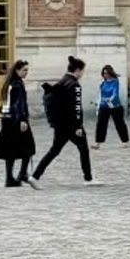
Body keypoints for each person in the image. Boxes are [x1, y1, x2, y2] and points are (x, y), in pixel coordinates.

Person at [32, 57, 91, 185]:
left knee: (54, 150)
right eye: (82, 71)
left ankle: (35, 175)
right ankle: (88, 178)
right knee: (83, 149)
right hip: (71, 125)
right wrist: (78, 126)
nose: (82, 74)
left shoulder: (63, 80)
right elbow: (76, 107)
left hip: (60, 124)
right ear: (78, 70)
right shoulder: (74, 84)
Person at [0, 59, 36, 188]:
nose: (27, 72)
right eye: (24, 70)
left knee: (10, 150)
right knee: (28, 147)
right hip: (16, 120)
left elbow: (5, 103)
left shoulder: (9, 83)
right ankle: (22, 174)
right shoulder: (17, 85)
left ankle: (9, 178)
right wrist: (22, 119)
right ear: (17, 70)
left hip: (7, 120)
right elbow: (18, 104)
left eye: (27, 70)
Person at [93, 63, 130, 151]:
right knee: (101, 124)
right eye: (104, 73)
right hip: (104, 105)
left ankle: (125, 141)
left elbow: (115, 93)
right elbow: (100, 94)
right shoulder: (103, 83)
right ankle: (98, 142)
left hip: (115, 106)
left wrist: (111, 99)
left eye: (107, 73)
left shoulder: (115, 82)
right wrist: (98, 103)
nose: (105, 75)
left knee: (119, 124)